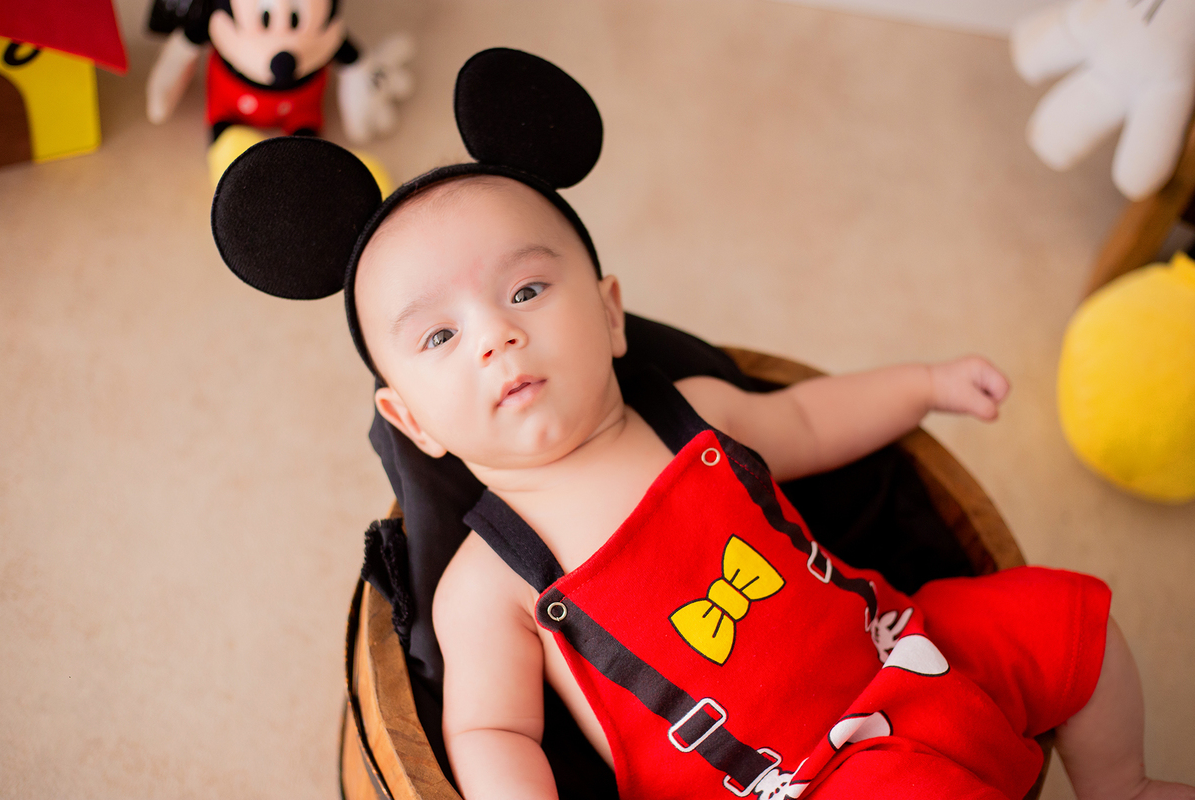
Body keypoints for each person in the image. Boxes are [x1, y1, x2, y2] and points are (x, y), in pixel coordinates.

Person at [210, 47, 1194, 800]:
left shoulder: (692, 418)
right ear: (408, 418)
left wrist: (923, 381)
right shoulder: (490, 576)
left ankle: (1124, 783)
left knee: (1074, 619)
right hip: (793, 779)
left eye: (527, 287)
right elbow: (493, 732)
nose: (497, 338)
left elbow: (809, 416)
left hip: (902, 641)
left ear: (607, 311)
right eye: (437, 336)